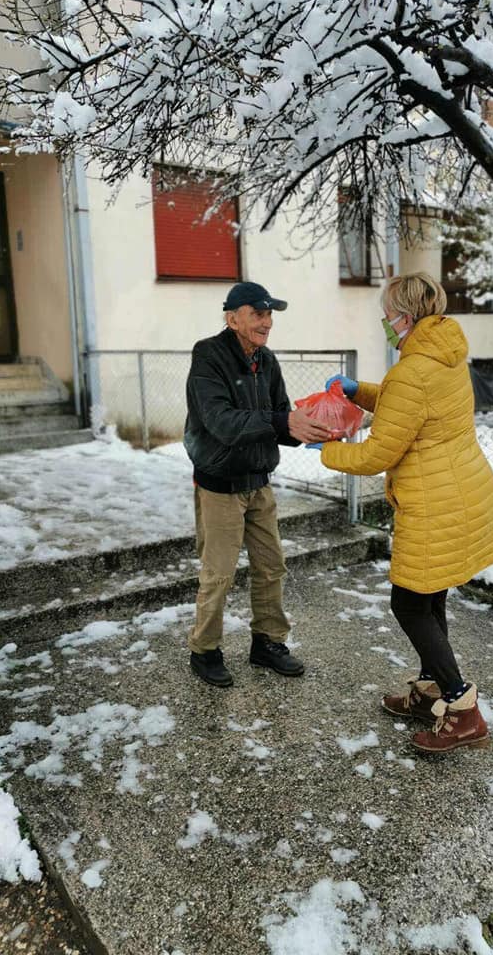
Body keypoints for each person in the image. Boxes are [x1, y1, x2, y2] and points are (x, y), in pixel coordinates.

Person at [315, 272, 493, 753]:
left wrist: (326, 448)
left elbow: (378, 453)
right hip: (459, 491)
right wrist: (359, 391)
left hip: (435, 502)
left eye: (386, 312)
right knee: (429, 597)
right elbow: (407, 402)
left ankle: (462, 709)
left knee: (408, 603)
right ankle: (429, 692)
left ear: (404, 315)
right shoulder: (443, 356)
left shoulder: (413, 370)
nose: (383, 320)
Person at [184, 280, 331, 688]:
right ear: (232, 319)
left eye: (269, 315)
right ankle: (205, 649)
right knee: (219, 573)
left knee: (271, 567)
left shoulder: (266, 361)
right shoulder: (208, 356)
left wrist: (311, 424)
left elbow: (279, 415)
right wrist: (282, 422)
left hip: (258, 481)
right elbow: (221, 422)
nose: (267, 322)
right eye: (258, 314)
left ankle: (267, 643)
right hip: (220, 484)